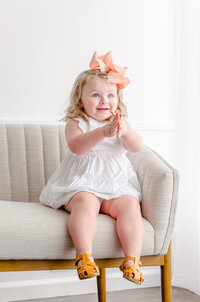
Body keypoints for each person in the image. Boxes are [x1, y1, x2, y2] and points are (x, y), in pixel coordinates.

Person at [40, 51, 144, 285]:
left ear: (118, 99)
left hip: (115, 183)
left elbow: (136, 147)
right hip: (82, 180)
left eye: (110, 95)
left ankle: (132, 261)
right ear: (80, 100)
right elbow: (77, 147)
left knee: (130, 206)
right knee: (86, 203)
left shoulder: (120, 123)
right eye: (95, 95)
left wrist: (125, 132)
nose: (104, 101)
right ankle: (84, 256)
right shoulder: (77, 123)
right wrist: (101, 133)